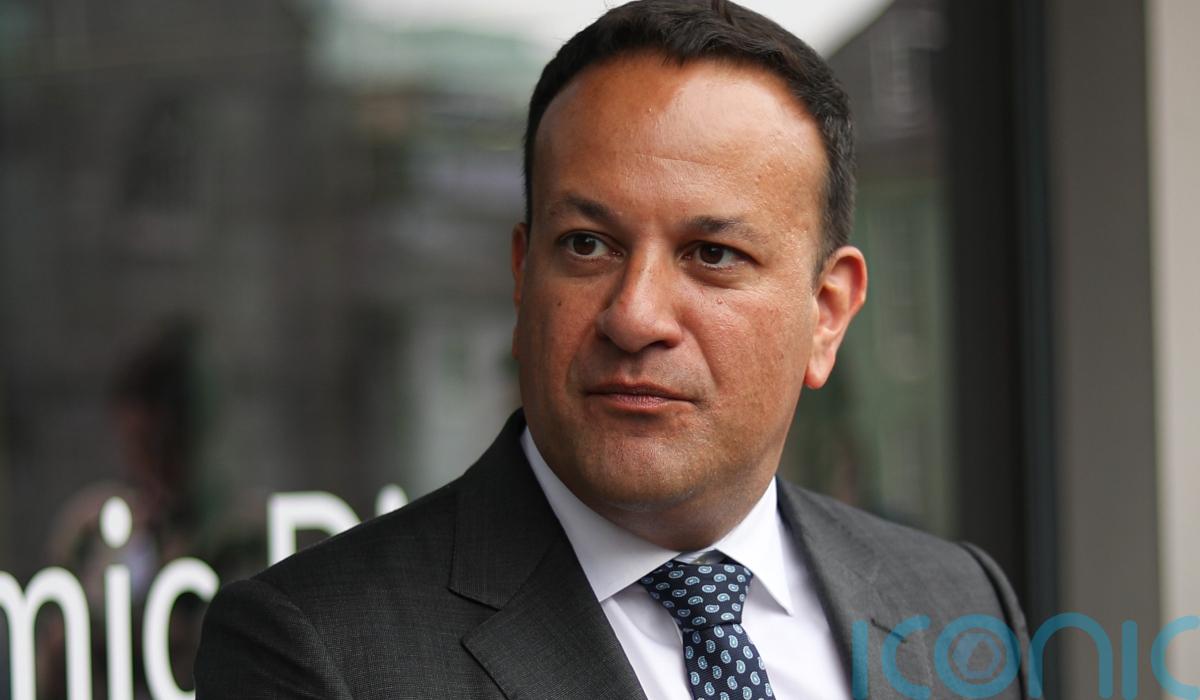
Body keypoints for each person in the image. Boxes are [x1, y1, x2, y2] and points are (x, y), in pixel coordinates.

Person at [195, 1, 1030, 698]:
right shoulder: (317, 652)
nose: (634, 317)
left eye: (712, 255)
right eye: (588, 245)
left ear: (827, 313)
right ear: (523, 276)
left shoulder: (958, 604)